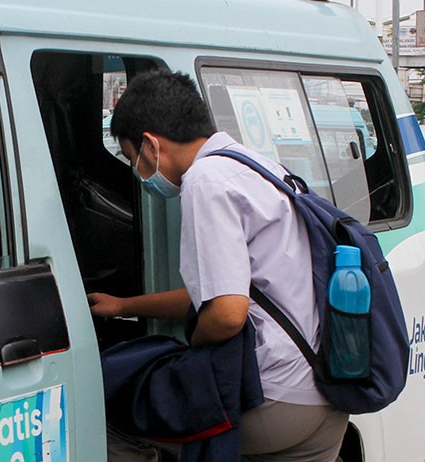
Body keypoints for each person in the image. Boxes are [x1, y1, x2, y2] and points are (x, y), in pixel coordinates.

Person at [88, 70, 348, 461]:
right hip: (326, 395)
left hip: (273, 398)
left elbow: (226, 314)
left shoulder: (204, 181)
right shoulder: (255, 166)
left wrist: (194, 344)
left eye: (131, 159)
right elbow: (220, 292)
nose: (137, 173)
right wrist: (124, 306)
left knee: (105, 410)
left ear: (151, 145)